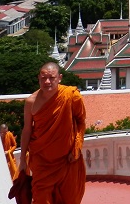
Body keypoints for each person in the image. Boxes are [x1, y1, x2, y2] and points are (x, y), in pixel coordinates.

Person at [19, 62, 86, 204]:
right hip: (42, 161)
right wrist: (22, 160)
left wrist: (76, 147)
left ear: (60, 78)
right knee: (40, 199)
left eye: (51, 77)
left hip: (67, 159)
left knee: (69, 199)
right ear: (38, 78)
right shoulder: (31, 102)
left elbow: (81, 122)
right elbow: (27, 130)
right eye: (43, 78)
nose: (47, 81)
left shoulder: (71, 96)